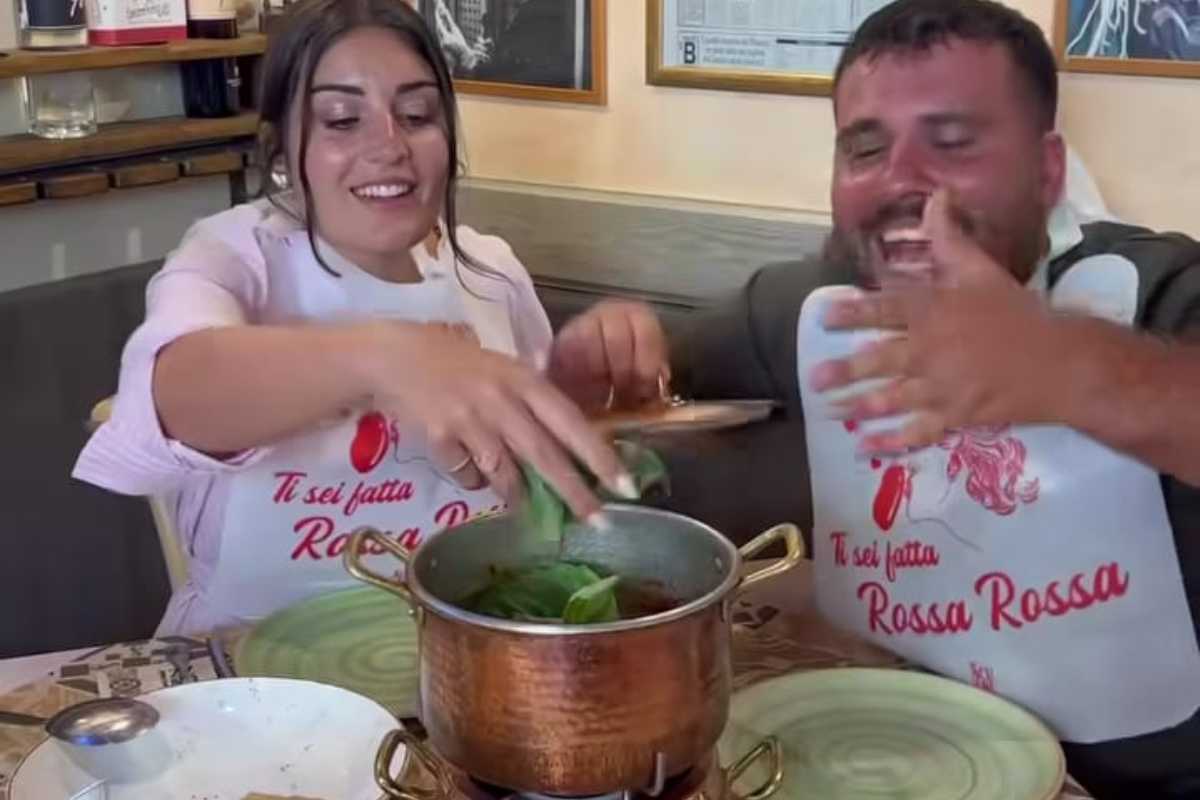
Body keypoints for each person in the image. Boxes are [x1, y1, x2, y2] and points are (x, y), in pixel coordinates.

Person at [664, 1, 1200, 796]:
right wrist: (610, 343)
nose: (900, 181)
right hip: (874, 762)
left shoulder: (1156, 290)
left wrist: (1069, 363)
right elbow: (657, 368)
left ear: (1048, 170)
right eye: (865, 148)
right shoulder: (813, 306)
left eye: (953, 143)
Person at [73, 0, 663, 637]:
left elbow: (541, 488)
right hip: (251, 665)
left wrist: (577, 395)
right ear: (280, 149)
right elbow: (173, 396)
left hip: (462, 649)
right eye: (341, 119)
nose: (388, 145)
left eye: (417, 115)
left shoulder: (490, 272)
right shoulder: (234, 256)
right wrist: (384, 356)